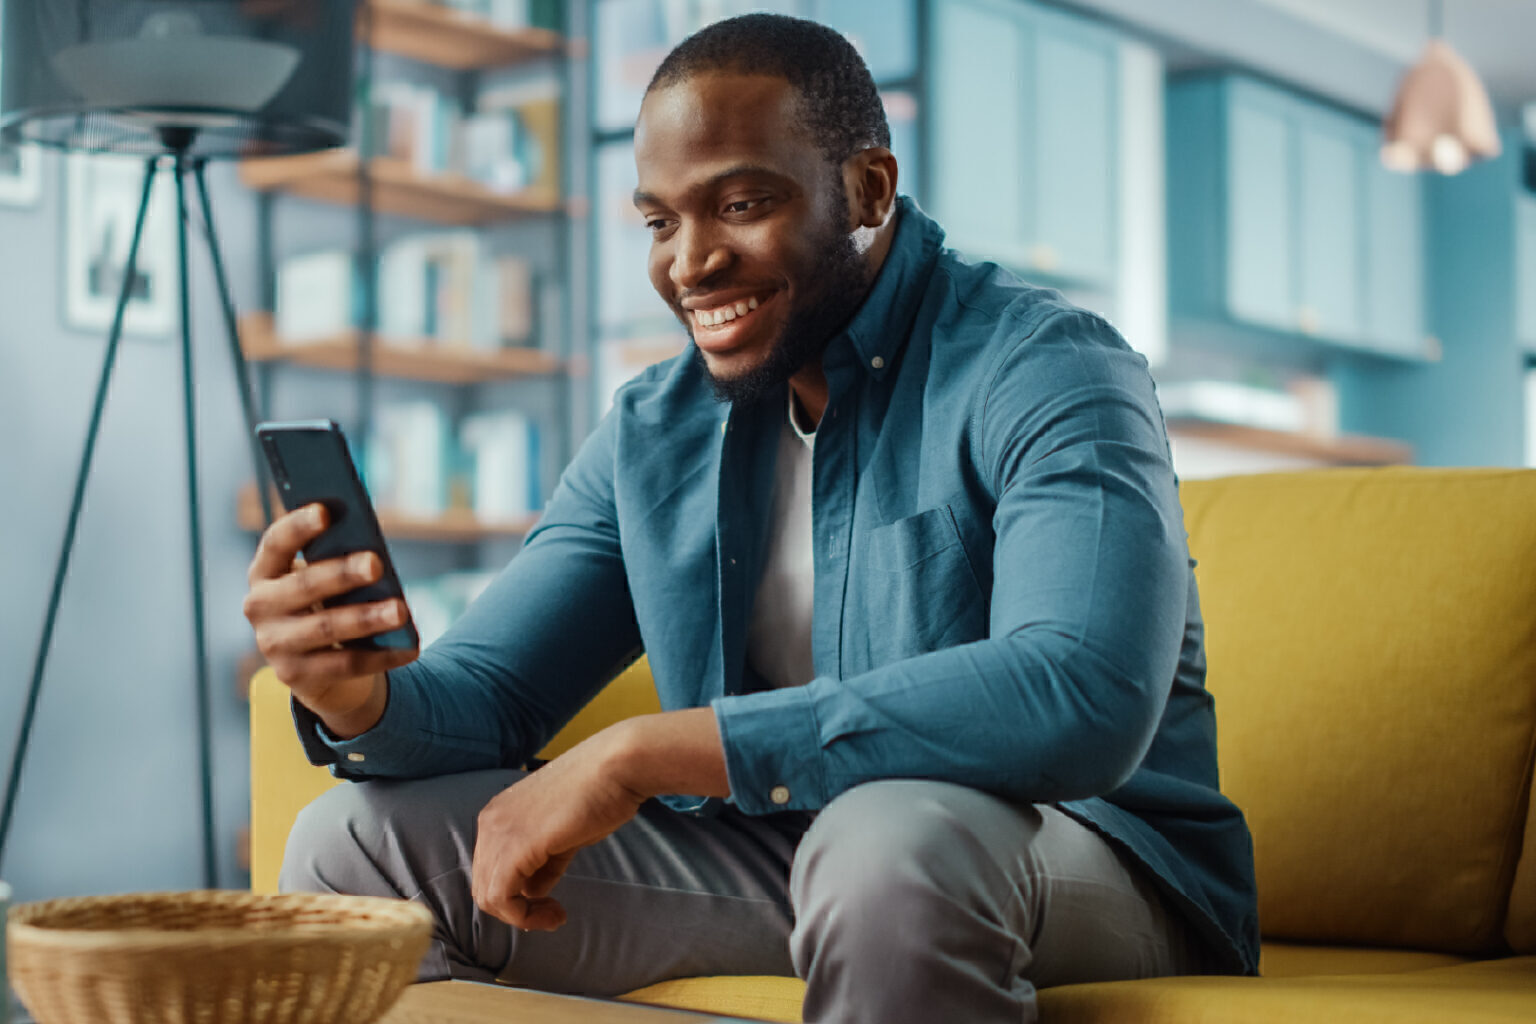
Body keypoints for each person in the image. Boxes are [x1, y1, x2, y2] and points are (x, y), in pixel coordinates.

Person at [244, 13, 1258, 1024]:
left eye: (739, 203)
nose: (690, 262)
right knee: (352, 840)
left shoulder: (1048, 366)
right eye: (660, 221)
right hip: (795, 853)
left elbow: (1080, 688)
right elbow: (496, 694)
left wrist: (650, 751)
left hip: (1089, 855)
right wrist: (359, 697)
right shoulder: (656, 425)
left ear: (866, 189)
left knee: (885, 845)